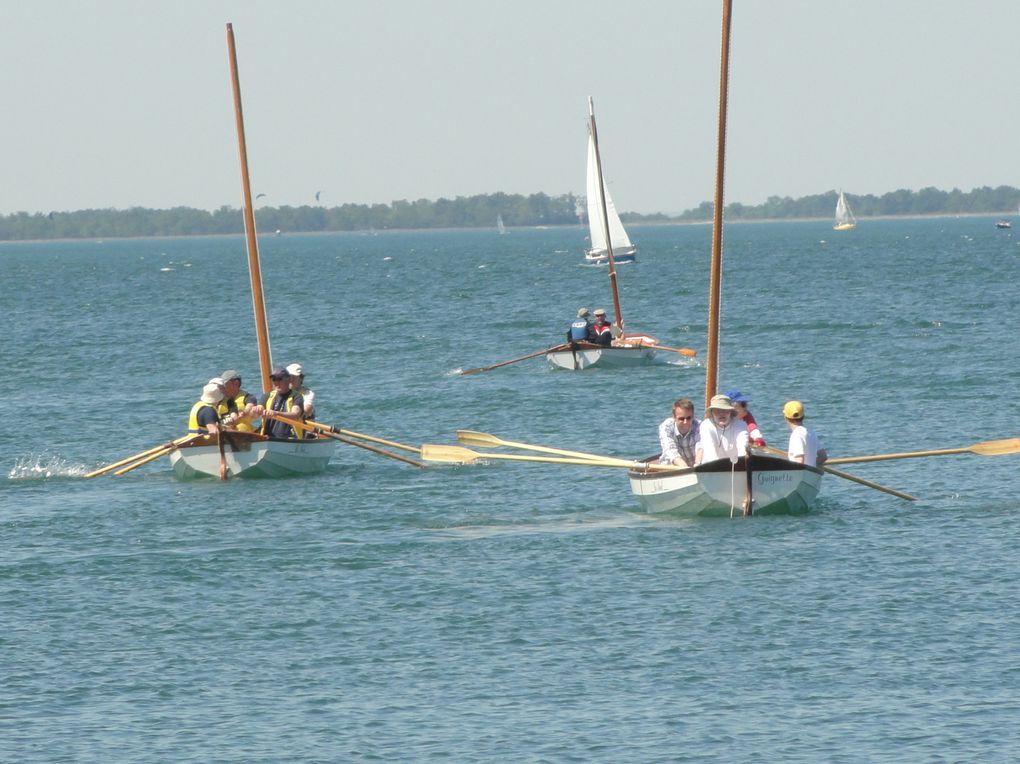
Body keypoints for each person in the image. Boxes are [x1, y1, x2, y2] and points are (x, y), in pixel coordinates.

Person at [695, 393, 749, 465]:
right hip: (710, 468)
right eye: (717, 411)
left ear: (730, 412)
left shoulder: (741, 425)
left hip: (736, 467)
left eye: (725, 410)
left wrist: (741, 464)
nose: (721, 414)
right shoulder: (705, 425)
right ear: (712, 413)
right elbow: (710, 454)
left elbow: (742, 449)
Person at [257, 367, 305, 439]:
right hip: (268, 437)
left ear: (288, 380)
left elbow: (295, 414)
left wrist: (276, 413)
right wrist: (256, 410)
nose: (276, 382)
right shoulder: (267, 396)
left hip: (290, 438)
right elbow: (257, 410)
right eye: (274, 379)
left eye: (279, 379)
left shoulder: (296, 396)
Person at [783, 400, 828, 467]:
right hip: (810, 475)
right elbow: (823, 456)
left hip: (799, 476)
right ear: (803, 415)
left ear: (786, 417)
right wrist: (813, 467)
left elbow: (799, 460)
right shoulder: (811, 432)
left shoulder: (796, 435)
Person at [658, 398, 701, 467]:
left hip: (694, 466)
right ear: (674, 417)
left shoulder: (699, 426)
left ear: (693, 416)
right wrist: (685, 468)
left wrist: (698, 464)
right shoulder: (666, 427)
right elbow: (670, 450)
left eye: (689, 418)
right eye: (681, 419)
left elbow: (700, 447)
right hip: (671, 468)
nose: (685, 422)